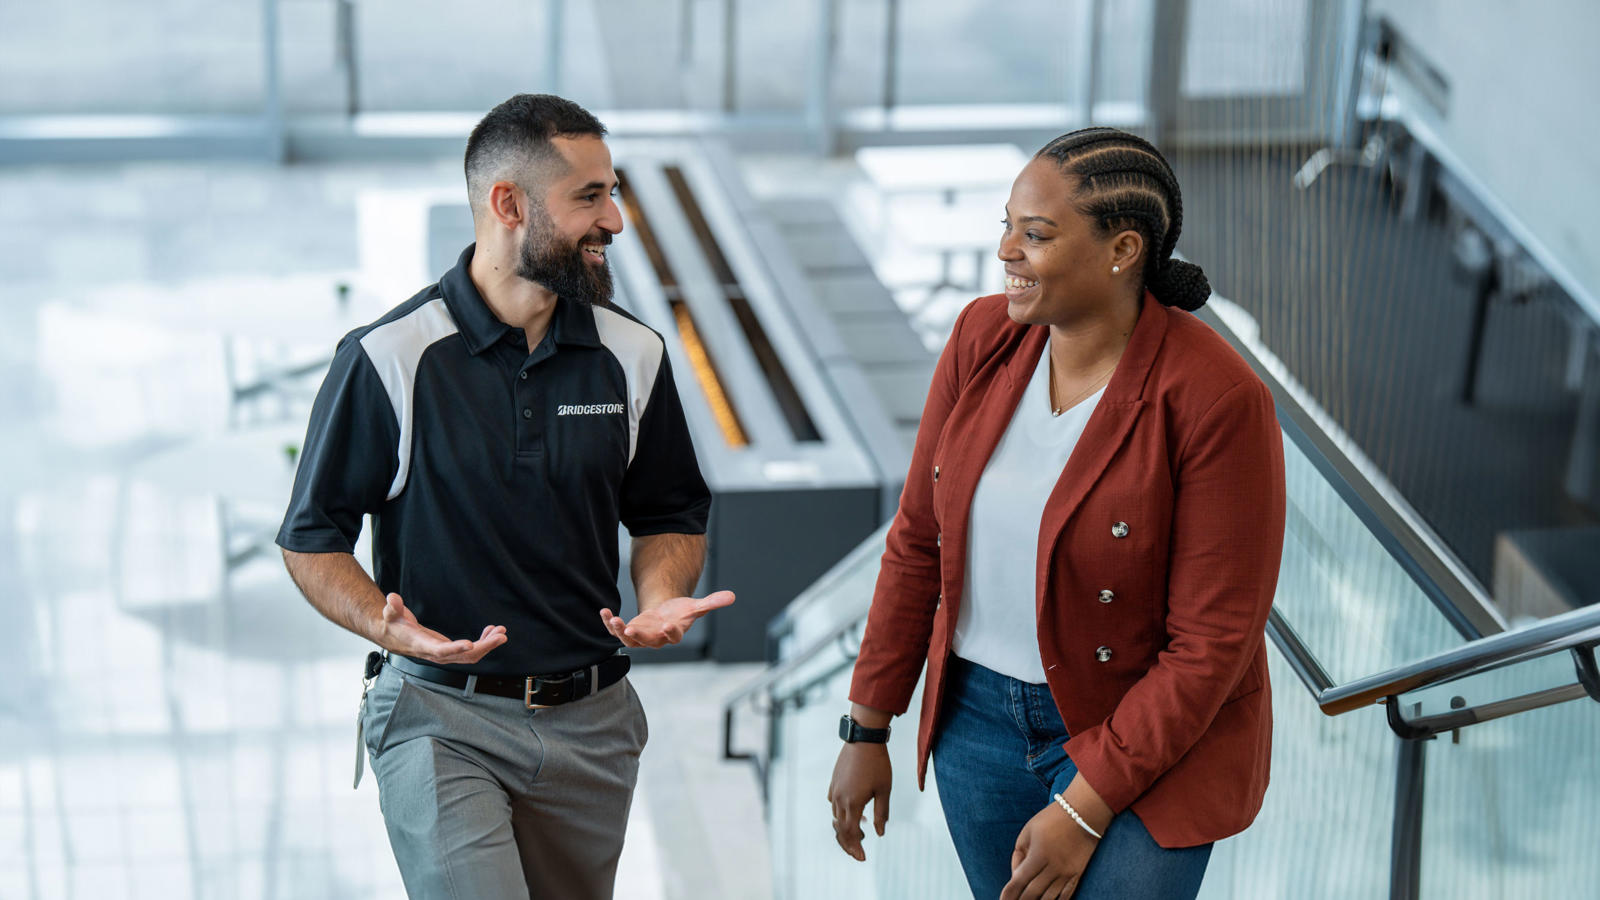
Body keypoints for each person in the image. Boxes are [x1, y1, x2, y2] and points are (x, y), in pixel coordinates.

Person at [276, 93, 734, 900]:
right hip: (439, 721)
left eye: (613, 192)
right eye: (589, 197)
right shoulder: (389, 358)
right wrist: (395, 630)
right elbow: (313, 538)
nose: (615, 221)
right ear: (508, 204)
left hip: (593, 726)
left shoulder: (633, 354)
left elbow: (667, 511)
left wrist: (662, 592)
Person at [828, 127, 1287, 900]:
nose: (1007, 250)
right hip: (976, 724)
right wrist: (866, 726)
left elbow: (1212, 645)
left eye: (1034, 235)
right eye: (1005, 226)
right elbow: (916, 540)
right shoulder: (983, 337)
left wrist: (1084, 807)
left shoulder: (1217, 399)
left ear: (1122, 250)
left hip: (1148, 732)